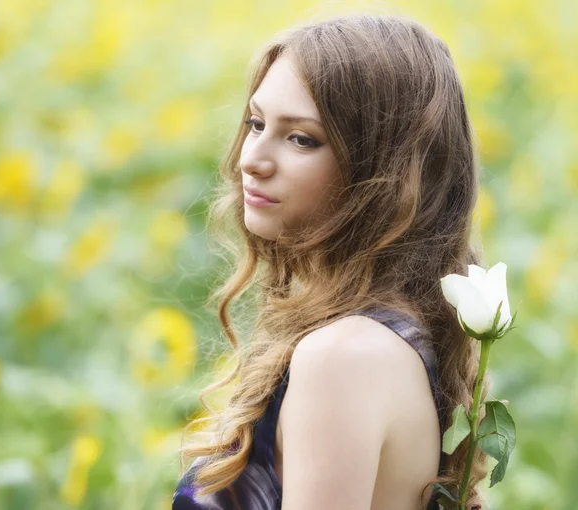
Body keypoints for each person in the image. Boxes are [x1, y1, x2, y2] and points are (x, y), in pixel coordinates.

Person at [172, 12, 491, 510]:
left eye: (302, 138)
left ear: (384, 171)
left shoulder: (342, 358)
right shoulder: (383, 340)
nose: (252, 159)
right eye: (257, 123)